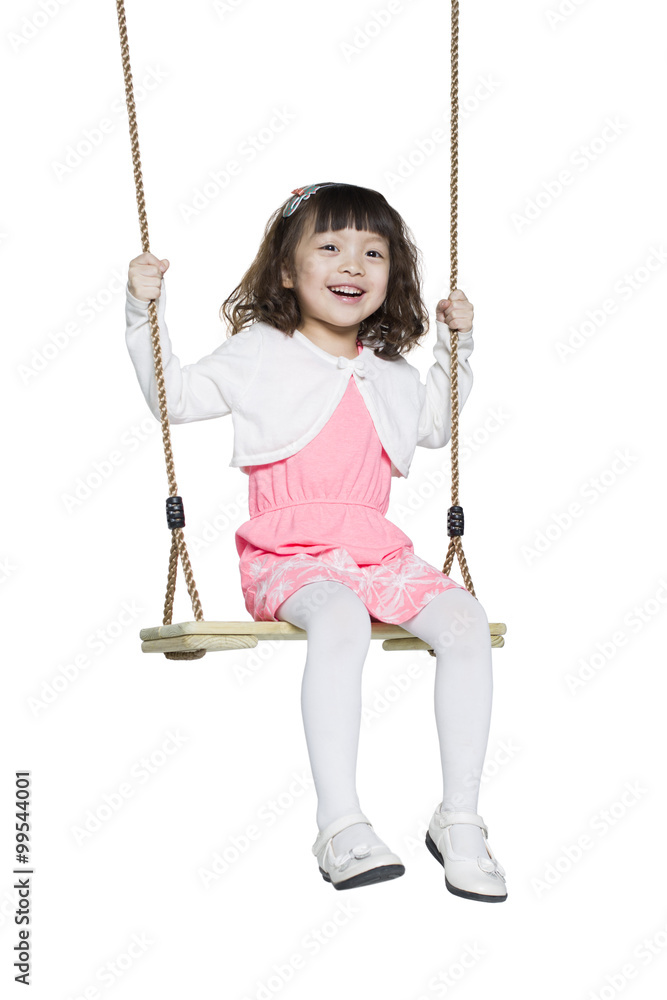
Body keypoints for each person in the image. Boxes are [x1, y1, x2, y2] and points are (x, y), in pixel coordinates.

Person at [124, 182, 507, 901]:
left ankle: (460, 818)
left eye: (372, 251)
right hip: (287, 555)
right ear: (287, 272)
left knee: (465, 624)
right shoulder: (259, 353)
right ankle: (340, 824)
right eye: (328, 247)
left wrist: (460, 344)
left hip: (379, 554)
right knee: (338, 618)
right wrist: (143, 309)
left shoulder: (389, 370)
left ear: (392, 275)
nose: (352, 263)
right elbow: (172, 398)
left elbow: (434, 424)